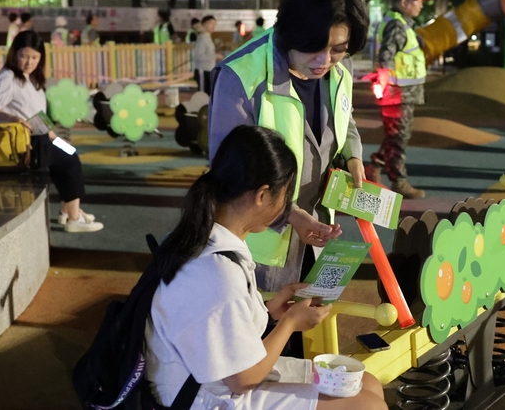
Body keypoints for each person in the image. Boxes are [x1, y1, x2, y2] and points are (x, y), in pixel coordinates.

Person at [144, 124, 387, 410]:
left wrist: (271, 311)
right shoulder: (217, 270)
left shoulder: (203, 237)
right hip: (199, 396)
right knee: (365, 406)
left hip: (204, 379)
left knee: (366, 383)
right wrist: (290, 323)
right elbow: (243, 379)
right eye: (285, 196)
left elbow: (216, 322)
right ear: (262, 195)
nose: (286, 206)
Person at [209, 0, 369, 294]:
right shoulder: (241, 77)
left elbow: (343, 115)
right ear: (290, 31)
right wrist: (290, 215)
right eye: (315, 48)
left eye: (339, 49)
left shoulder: (340, 69)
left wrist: (352, 154)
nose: (325, 61)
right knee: (269, 338)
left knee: (315, 329)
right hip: (262, 249)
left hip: (320, 233)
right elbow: (229, 177)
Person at [0, 31, 103, 233]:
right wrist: (13, 118)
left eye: (34, 57)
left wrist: (54, 136)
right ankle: (73, 217)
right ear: (14, 54)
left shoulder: (33, 79)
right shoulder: (8, 77)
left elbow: (36, 113)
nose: (29, 62)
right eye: (24, 56)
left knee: (70, 152)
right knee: (69, 160)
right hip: (25, 142)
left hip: (44, 135)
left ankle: (68, 210)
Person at [364, 0, 431, 199]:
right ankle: (398, 181)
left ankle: (375, 167)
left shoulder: (403, 24)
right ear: (404, 2)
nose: (421, 6)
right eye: (417, 1)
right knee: (399, 136)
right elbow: (386, 57)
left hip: (403, 92)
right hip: (396, 92)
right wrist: (383, 83)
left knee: (397, 135)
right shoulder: (397, 25)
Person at [193, 15, 223, 95]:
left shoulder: (208, 38)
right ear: (204, 24)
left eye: (214, 24)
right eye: (211, 23)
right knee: (203, 95)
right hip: (203, 70)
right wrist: (215, 56)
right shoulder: (202, 38)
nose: (213, 26)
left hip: (209, 70)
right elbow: (199, 56)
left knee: (209, 95)